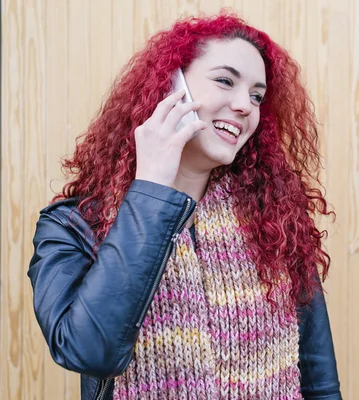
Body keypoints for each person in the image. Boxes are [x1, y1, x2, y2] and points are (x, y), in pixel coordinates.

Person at [27, 12, 341, 400]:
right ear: (170, 88)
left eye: (257, 95)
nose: (245, 105)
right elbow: (91, 351)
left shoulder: (276, 221)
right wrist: (152, 188)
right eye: (225, 81)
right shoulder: (75, 224)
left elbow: (317, 378)